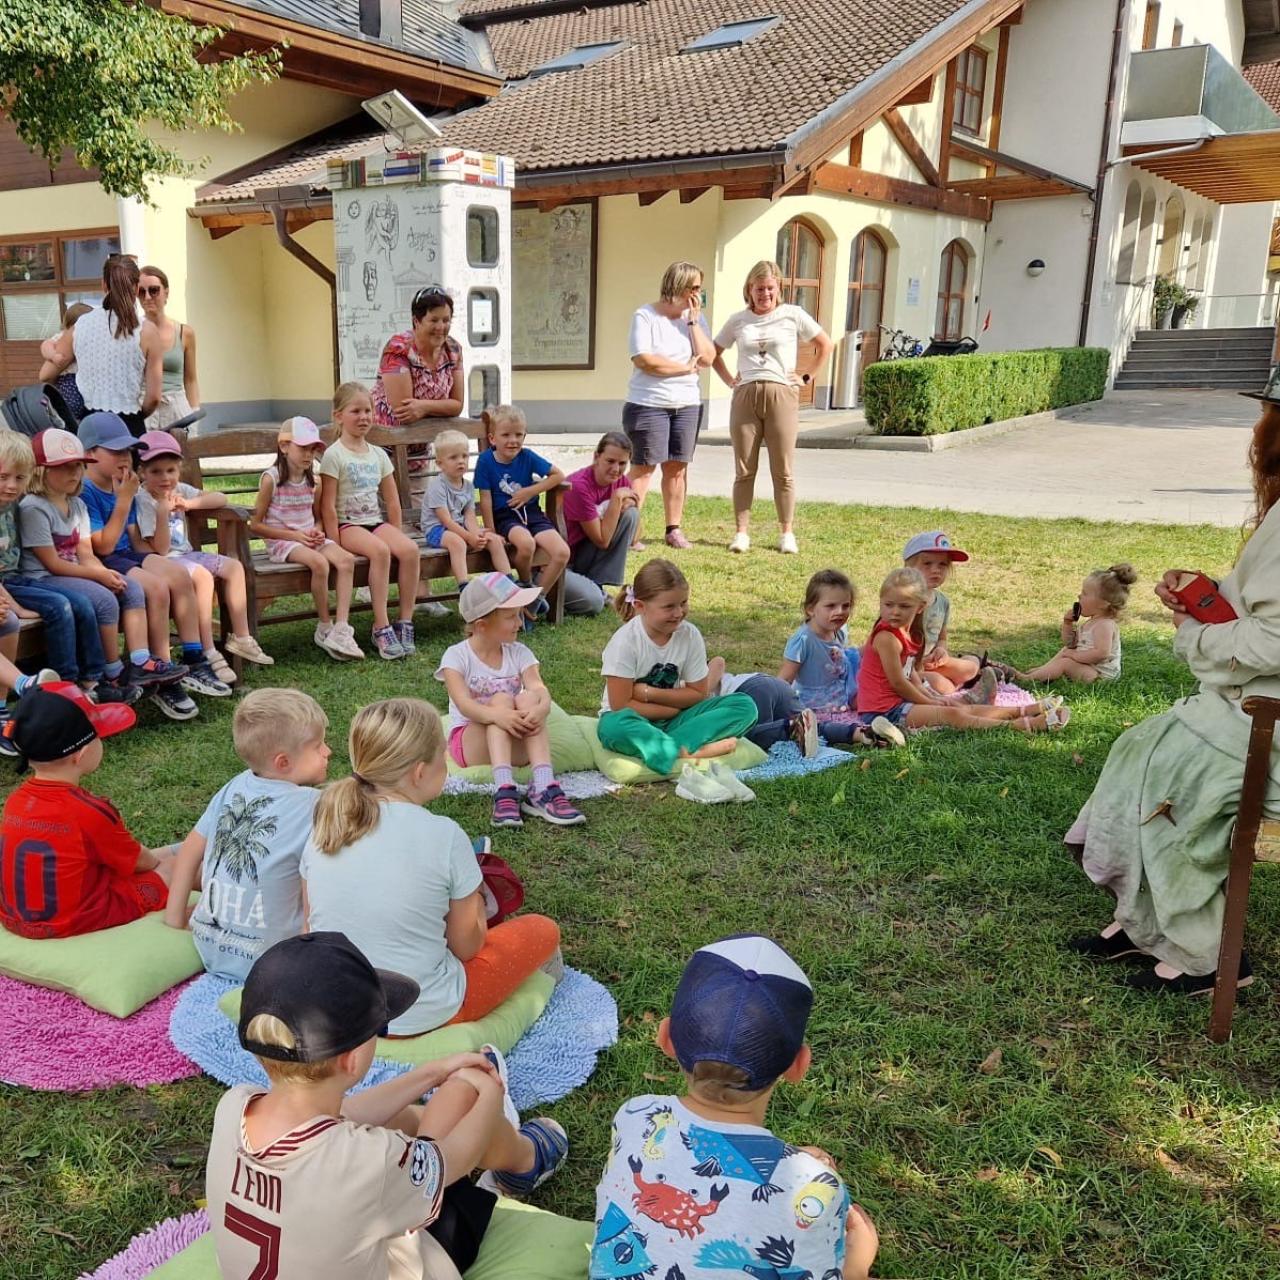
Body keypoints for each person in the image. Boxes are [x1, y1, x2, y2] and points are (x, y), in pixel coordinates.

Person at [1064, 377, 1280, 996]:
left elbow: (1273, 642)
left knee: (1172, 790)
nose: (1258, 431)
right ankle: (1142, 919)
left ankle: (1209, 956)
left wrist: (1192, 632)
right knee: (1136, 749)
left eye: (1267, 415)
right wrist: (1209, 600)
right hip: (1246, 710)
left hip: (1268, 723)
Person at [207, 933, 570, 1279]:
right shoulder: (369, 1159)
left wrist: (429, 1073)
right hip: (413, 1257)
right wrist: (490, 1092)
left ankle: (503, 1144)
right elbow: (455, 1157)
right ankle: (526, 1161)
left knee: (404, 1115)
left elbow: (344, 1117)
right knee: (460, 1095)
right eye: (379, 1029)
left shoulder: (234, 1107)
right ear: (352, 1059)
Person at [590, 934, 879, 1280]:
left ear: (665, 1038)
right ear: (799, 1065)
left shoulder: (635, 1116)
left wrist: (789, 1163)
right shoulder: (818, 1188)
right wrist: (857, 1265)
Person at [302, 698, 565, 1035]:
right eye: (443, 754)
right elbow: (466, 947)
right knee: (541, 929)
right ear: (420, 772)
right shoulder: (445, 835)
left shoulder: (324, 829)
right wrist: (476, 911)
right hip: (423, 1011)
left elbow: (310, 929)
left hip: (334, 1007)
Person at [164, 690, 330, 979]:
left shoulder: (235, 786)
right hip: (273, 963)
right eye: (318, 746)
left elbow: (191, 850)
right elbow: (314, 890)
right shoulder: (314, 805)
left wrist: (175, 920)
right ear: (283, 762)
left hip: (209, 946)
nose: (327, 751)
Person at [19, 429, 178, 705]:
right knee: (103, 600)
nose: (75, 474)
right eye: (65, 468)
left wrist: (104, 572)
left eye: (78, 467)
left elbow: (85, 552)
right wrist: (96, 574)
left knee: (130, 588)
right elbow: (52, 563)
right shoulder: (35, 507)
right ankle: (110, 673)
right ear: (40, 471)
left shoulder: (76, 504)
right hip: (42, 577)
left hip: (72, 571)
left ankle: (140, 662)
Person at [78, 411, 223, 714]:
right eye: (115, 451)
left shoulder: (121, 484)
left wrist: (151, 551)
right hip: (101, 561)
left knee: (177, 574)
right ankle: (159, 668)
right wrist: (123, 500)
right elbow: (102, 545)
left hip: (126, 554)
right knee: (156, 587)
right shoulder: (87, 491)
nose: (125, 458)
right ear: (90, 454)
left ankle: (194, 658)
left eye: (127, 451)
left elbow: (132, 537)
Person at [0, 686, 172, 940]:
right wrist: (165, 866)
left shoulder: (15, 801)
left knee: (167, 854)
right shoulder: (88, 811)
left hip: (16, 920)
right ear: (80, 754)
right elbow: (142, 862)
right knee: (176, 867)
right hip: (75, 921)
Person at [436, 573, 586, 829]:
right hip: (471, 744)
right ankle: (504, 788)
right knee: (502, 700)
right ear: (482, 625)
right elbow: (464, 704)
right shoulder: (456, 657)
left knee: (528, 697)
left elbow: (539, 687)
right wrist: (498, 715)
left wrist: (542, 707)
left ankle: (543, 786)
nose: (519, 622)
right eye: (511, 616)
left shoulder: (519, 653)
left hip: (512, 738)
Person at [712, 260, 835, 555]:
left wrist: (806, 376)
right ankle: (741, 533)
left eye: (769, 288)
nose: (764, 294)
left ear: (778, 288)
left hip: (781, 393)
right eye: (758, 289)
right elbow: (714, 352)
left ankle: (786, 533)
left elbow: (825, 344)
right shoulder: (738, 320)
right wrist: (730, 379)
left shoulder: (792, 314)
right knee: (744, 469)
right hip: (746, 396)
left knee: (783, 470)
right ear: (749, 289)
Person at [597, 558, 758, 780]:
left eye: (683, 603)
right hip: (634, 720)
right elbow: (620, 705)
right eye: (669, 607)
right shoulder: (625, 642)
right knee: (612, 728)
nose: (679, 612)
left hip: (675, 718)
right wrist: (669, 709)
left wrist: (650, 693)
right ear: (640, 606)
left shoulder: (689, 635)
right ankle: (693, 750)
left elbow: (698, 693)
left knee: (744, 705)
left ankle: (669, 750)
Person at [857, 568, 1065, 737]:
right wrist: (930, 701)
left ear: (920, 607)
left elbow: (910, 673)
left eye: (903, 606)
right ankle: (1022, 726)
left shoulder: (909, 633)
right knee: (952, 714)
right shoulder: (887, 638)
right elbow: (898, 683)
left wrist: (929, 694)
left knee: (957, 706)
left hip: (900, 702)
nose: (894, 611)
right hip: (882, 712)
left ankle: (1024, 710)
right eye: (888, 605)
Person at [134, 429, 275, 675]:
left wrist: (189, 504)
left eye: (171, 470)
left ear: (179, 469)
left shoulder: (181, 491)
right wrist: (162, 512)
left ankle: (241, 637)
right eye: (156, 471)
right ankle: (209, 649)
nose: (165, 478)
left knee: (234, 567)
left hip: (186, 556)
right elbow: (161, 548)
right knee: (203, 576)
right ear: (142, 473)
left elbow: (219, 498)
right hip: (165, 562)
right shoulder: (144, 500)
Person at [0, 432, 119, 699]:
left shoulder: (13, 505)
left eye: (19, 478)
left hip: (16, 580)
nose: (11, 485)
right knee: (60, 606)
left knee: (79, 603)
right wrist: (18, 607)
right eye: (3, 477)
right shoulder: (29, 505)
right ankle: (65, 686)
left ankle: (92, 681)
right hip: (13, 583)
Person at [319, 381, 422, 660]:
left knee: (410, 550)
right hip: (347, 525)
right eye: (356, 411)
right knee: (380, 551)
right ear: (338, 415)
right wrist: (334, 542)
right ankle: (381, 625)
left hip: (375, 523)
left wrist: (397, 533)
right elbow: (327, 505)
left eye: (368, 410)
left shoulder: (378, 454)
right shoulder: (334, 455)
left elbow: (391, 500)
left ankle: (405, 621)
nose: (364, 417)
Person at [249, 417, 364, 661]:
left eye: (313, 449)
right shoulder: (271, 479)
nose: (309, 455)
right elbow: (256, 525)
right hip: (283, 542)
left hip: (307, 538)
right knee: (320, 563)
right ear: (284, 447)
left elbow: (317, 518)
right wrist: (294, 535)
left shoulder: (315, 480)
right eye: (303, 448)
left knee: (346, 560)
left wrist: (318, 530)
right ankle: (324, 626)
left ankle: (341, 629)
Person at [623, 262, 715, 551]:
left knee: (677, 469)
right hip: (649, 404)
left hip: (686, 404)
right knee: (643, 469)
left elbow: (708, 357)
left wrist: (692, 323)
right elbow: (644, 360)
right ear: (679, 287)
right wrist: (683, 368)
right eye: (695, 288)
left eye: (700, 288)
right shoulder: (646, 316)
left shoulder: (695, 320)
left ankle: (673, 529)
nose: (698, 295)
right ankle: (628, 531)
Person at [39, 254, 164, 437]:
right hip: (129, 425)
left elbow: (46, 374)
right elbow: (153, 398)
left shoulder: (80, 326)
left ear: (104, 285)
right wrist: (137, 416)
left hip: (91, 425)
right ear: (136, 288)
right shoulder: (147, 331)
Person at [474, 405, 569, 623]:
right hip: (506, 517)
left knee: (562, 552)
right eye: (506, 435)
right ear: (492, 438)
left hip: (532, 513)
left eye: (518, 434)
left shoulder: (527, 456)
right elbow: (486, 498)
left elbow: (557, 475)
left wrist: (530, 491)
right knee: (526, 544)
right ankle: (525, 584)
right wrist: (491, 530)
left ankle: (536, 598)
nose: (513, 440)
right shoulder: (486, 461)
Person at [371, 286, 464, 477]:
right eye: (434, 320)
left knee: (426, 504)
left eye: (446, 320)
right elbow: (404, 410)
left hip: (421, 453)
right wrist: (439, 407)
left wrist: (423, 406)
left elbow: (457, 405)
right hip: (384, 451)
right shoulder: (398, 349)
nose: (441, 327)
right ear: (417, 321)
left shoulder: (453, 349)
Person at [1003, 564, 1136, 684]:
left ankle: (1027, 679)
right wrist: (1067, 624)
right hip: (1088, 667)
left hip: (1100, 676)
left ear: (1103, 603)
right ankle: (1044, 671)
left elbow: (1101, 654)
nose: (1079, 596)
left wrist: (1074, 656)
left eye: (1085, 593)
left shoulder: (1105, 625)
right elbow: (1071, 644)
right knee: (1066, 651)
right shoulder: (1090, 623)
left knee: (1066, 662)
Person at [418, 428, 512, 593]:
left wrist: (476, 534)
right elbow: (445, 520)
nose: (461, 461)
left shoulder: (468, 486)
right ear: (440, 463)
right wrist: (469, 537)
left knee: (493, 539)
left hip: (460, 527)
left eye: (464, 456)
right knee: (458, 543)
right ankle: (464, 587)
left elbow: (469, 515)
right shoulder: (437, 487)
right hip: (437, 530)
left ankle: (509, 584)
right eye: (453, 457)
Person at [561, 432, 640, 617]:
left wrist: (627, 505)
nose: (616, 469)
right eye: (610, 461)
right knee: (594, 602)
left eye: (622, 464)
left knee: (631, 514)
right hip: (560, 562)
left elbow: (635, 535)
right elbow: (602, 541)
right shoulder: (578, 486)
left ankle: (595, 584)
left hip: (583, 555)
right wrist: (617, 499)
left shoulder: (621, 481)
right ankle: (587, 590)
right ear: (596, 457)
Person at [902, 531, 982, 694]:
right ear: (909, 568)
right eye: (927, 564)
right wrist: (918, 662)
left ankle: (965, 681)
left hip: (932, 663)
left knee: (972, 665)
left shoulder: (943, 602)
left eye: (942, 565)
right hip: (908, 667)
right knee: (943, 686)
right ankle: (959, 687)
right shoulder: (903, 601)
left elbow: (941, 638)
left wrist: (941, 651)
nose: (935, 570)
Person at [137, 265, 200, 430]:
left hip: (177, 409)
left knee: (184, 455)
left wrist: (194, 413)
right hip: (144, 409)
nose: (148, 297)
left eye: (154, 290)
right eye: (141, 292)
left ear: (166, 293)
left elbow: (191, 379)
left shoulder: (184, 333)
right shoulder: (133, 333)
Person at [38, 302, 91, 421]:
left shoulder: (91, 339)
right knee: (72, 404)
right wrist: (53, 356)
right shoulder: (63, 336)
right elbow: (45, 345)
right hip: (68, 378)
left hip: (83, 378)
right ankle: (50, 408)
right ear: (71, 325)